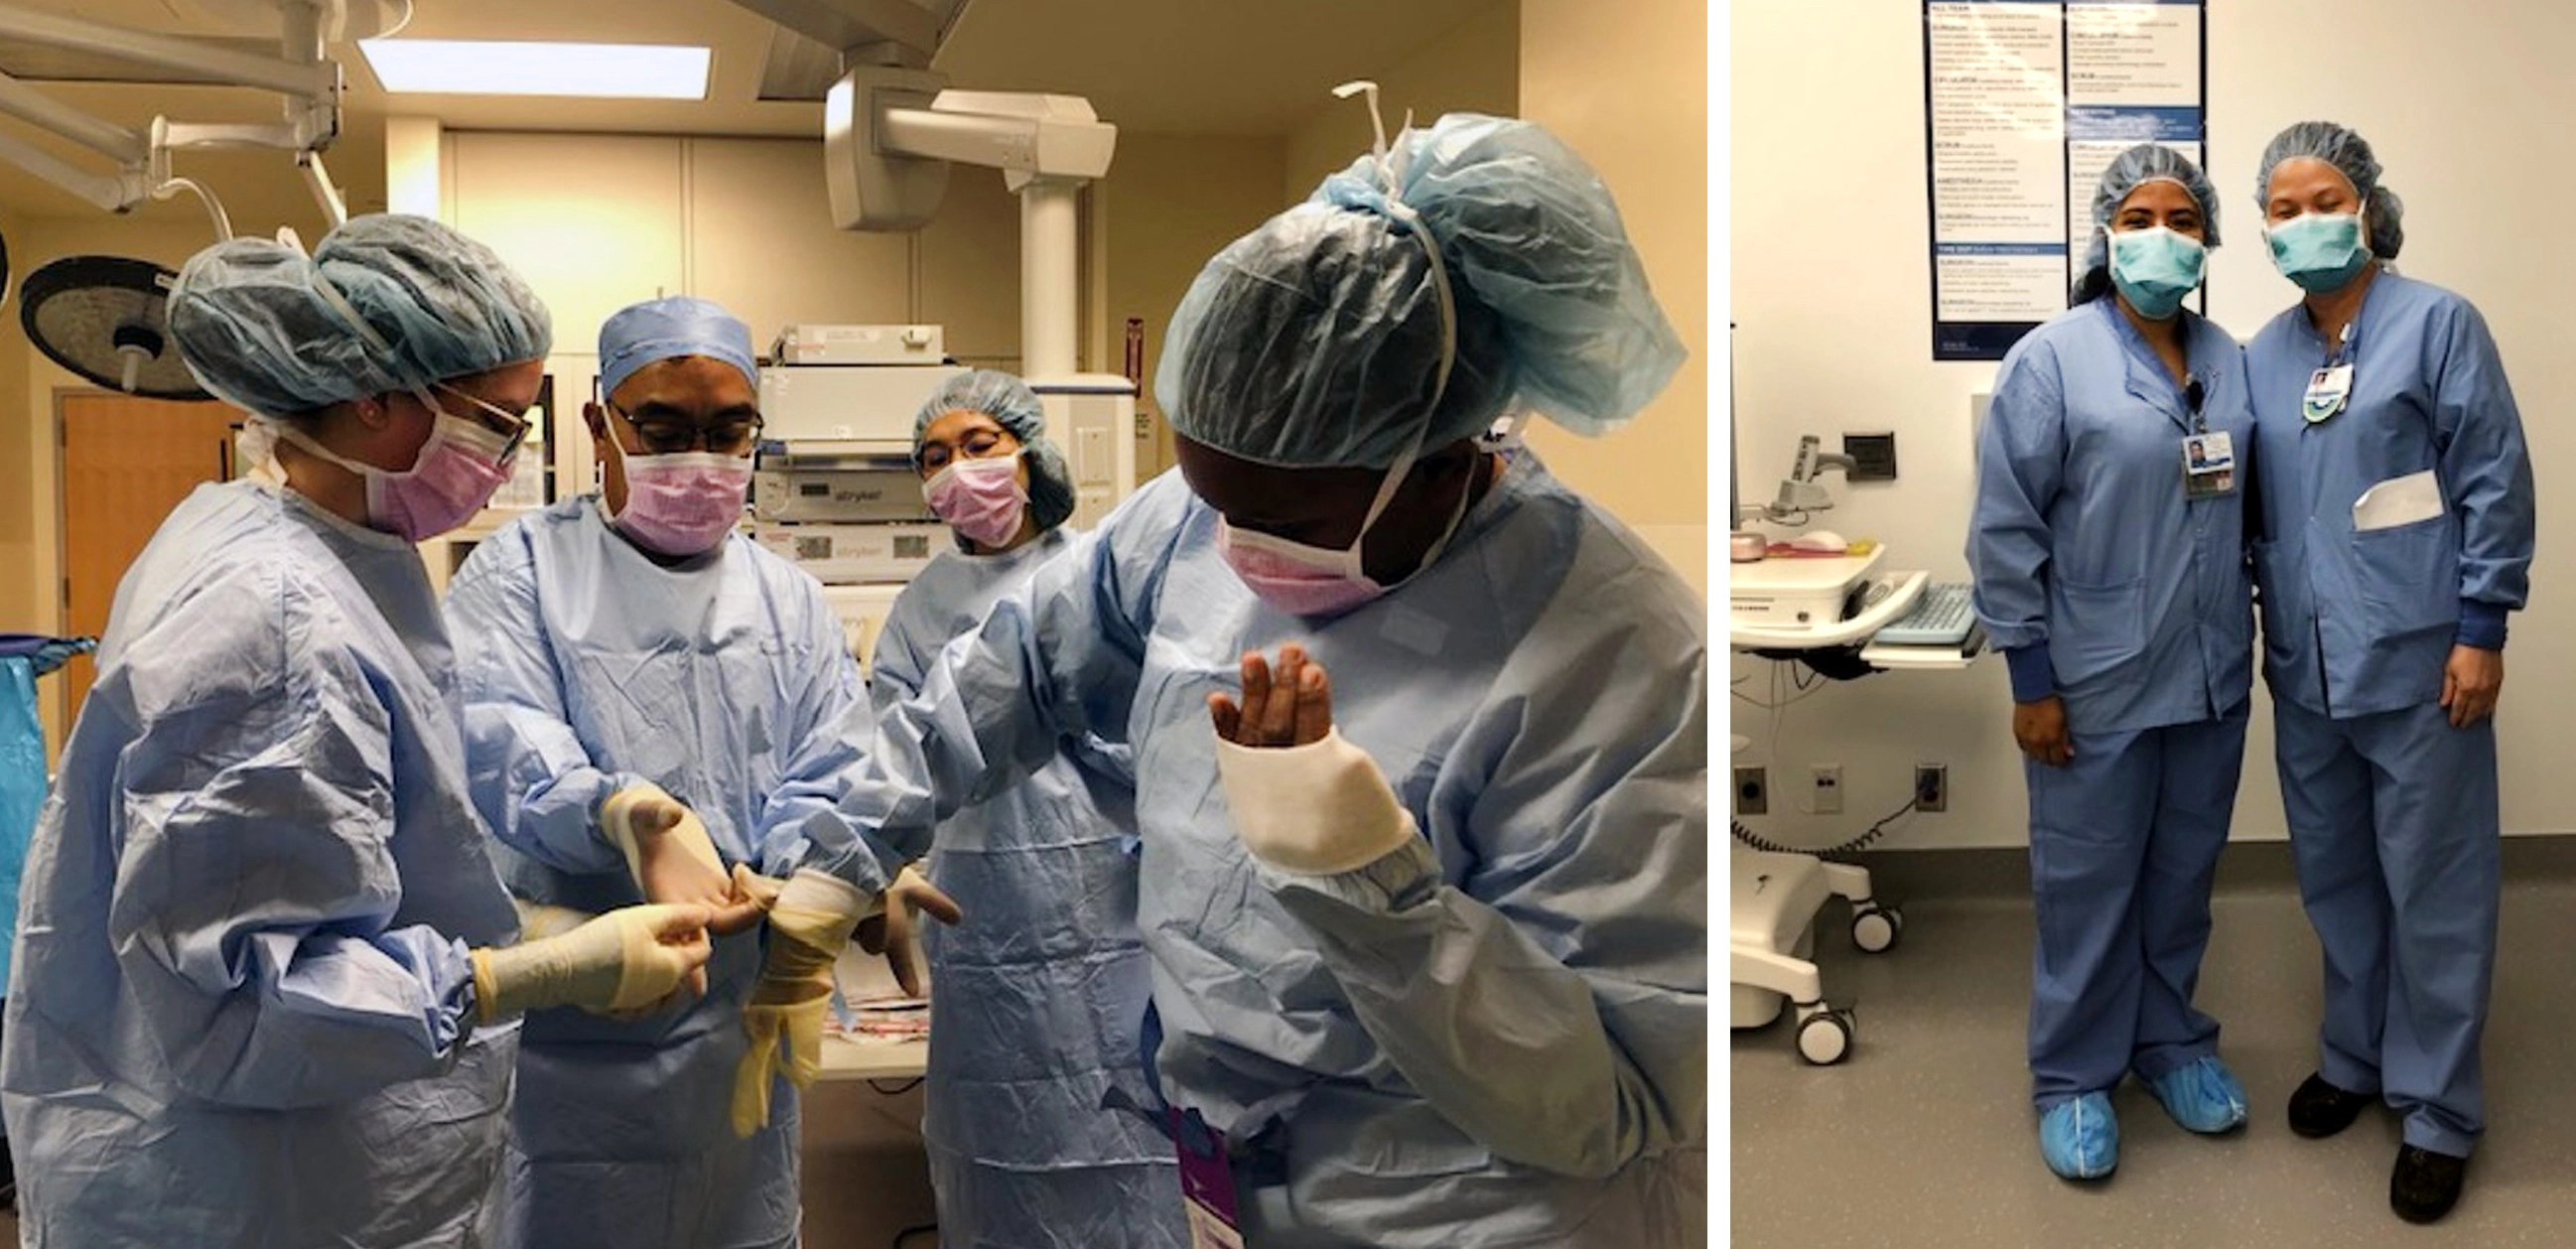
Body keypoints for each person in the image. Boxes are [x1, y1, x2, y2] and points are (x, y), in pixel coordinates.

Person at [832, 109, 1705, 1247]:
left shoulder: (1611, 651)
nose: (1235, 543)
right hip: (1230, 1181)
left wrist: (1359, 876)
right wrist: (833, 850)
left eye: (1281, 514)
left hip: (1468, 1207)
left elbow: (1616, 1103)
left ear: (1443, 454)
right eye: (1215, 500)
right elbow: (1015, 672)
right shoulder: (1190, 520)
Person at [0, 215, 716, 1248]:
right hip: (258, 1193)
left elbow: (415, 753)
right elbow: (242, 1004)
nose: (508, 457)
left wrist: (606, 816)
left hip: (281, 1168)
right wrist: (524, 973)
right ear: (380, 398)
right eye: (498, 421)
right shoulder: (277, 614)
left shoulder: (283, 535)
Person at [445, 295, 883, 1249]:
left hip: (737, 1034)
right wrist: (622, 812)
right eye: (664, 428)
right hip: (584, 1031)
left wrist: (810, 871)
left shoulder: (787, 599)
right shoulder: (520, 572)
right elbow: (500, 734)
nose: (700, 458)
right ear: (599, 421)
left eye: (729, 431)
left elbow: (836, 756)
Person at [2242, 121, 2535, 1224]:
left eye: (2322, 198)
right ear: (2262, 229)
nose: (2302, 219)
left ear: (2366, 205)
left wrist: (2482, 627)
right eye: (2279, 207)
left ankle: (2439, 1109)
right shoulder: (2261, 354)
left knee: (2437, 889)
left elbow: (2494, 480)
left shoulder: (2438, 325)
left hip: (2422, 659)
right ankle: (2356, 1057)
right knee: (2338, 881)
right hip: (2308, 667)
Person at [1966, 145, 2257, 1183]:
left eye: (2183, 218)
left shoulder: (2231, 359)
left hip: (2212, 673)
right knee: (2088, 888)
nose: (2162, 235)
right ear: (2105, 232)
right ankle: (2074, 1075)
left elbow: (2249, 512)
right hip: (2090, 681)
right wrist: (2031, 681)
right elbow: (2006, 532)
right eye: (2140, 216)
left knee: (2180, 880)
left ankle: (2171, 1042)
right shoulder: (2051, 359)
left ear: (2209, 238)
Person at [870, 368, 1186, 1248]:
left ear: (1030, 451)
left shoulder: (1097, 578)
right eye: (935, 458)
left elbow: (1160, 733)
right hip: (982, 920)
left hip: (1110, 903)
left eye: (979, 446)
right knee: (998, 1152)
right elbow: (890, 754)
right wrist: (883, 867)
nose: (958, 471)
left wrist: (1055, 720)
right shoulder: (918, 608)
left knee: (1136, 1140)